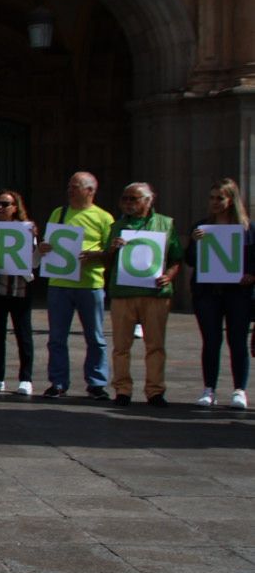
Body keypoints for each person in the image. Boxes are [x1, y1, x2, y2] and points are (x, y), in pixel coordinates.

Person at [105, 182, 183, 408]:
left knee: (155, 345)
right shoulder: (117, 226)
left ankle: (155, 390)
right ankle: (122, 389)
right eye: (125, 199)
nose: (128, 203)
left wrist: (169, 276)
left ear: (149, 201)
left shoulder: (165, 224)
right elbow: (108, 263)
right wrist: (112, 249)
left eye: (134, 199)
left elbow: (176, 257)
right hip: (123, 293)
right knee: (121, 346)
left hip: (155, 294)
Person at [39, 171, 114, 401]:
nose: (70, 190)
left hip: (89, 283)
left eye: (76, 186)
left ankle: (96, 383)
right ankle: (58, 382)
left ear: (90, 191)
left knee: (95, 337)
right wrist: (43, 247)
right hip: (59, 282)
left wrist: (95, 255)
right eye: (70, 186)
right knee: (57, 337)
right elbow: (49, 240)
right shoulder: (59, 213)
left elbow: (111, 254)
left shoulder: (103, 218)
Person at [188, 179, 255, 410]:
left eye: (220, 198)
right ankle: (209, 389)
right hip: (208, 293)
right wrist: (195, 243)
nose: (215, 202)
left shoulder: (247, 229)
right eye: (212, 197)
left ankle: (239, 389)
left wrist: (251, 275)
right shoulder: (202, 227)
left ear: (231, 200)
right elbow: (190, 259)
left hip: (238, 293)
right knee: (211, 340)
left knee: (237, 340)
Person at [0, 190, 35, 396]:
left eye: (5, 204)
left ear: (16, 207)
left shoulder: (26, 230)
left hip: (21, 288)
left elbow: (35, 260)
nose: (0, 208)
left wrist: (37, 245)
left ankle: (26, 378)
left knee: (23, 334)